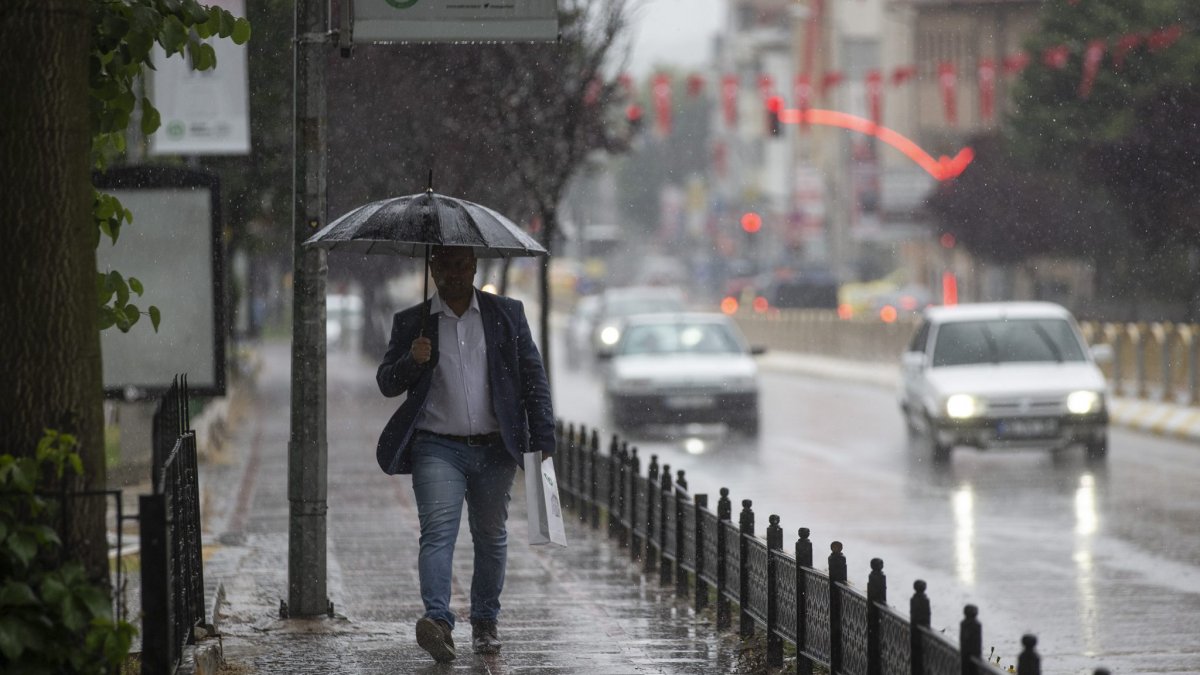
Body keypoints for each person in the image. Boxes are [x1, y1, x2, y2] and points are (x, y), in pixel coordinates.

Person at [375, 245, 555, 663]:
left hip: (495, 447)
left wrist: (542, 441)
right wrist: (411, 360)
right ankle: (438, 621)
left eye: (462, 264)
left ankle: (486, 621)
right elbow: (386, 382)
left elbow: (533, 377)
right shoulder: (413, 322)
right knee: (437, 533)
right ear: (432, 268)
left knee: (491, 536)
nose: (454, 273)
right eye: (445, 265)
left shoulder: (506, 314)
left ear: (474, 265)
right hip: (436, 446)